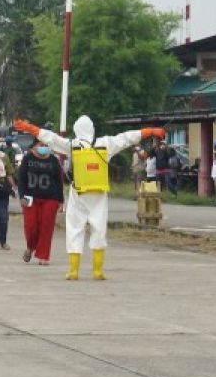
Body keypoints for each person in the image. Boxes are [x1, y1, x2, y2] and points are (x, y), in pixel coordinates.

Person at [15, 116, 165, 281]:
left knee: (74, 229)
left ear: (77, 130)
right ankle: (97, 271)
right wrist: (151, 131)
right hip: (99, 194)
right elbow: (127, 138)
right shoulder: (106, 143)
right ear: (92, 129)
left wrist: (28, 128)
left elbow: (50, 138)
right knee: (99, 230)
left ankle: (73, 270)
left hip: (78, 193)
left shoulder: (73, 145)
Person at [17, 137, 66, 265]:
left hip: (51, 198)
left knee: (46, 227)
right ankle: (30, 247)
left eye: (46, 145)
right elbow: (21, 178)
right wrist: (21, 195)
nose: (43, 147)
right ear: (34, 145)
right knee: (31, 225)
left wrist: (61, 200)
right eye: (41, 144)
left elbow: (59, 181)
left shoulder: (54, 160)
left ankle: (43, 256)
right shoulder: (28, 158)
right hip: (29, 197)